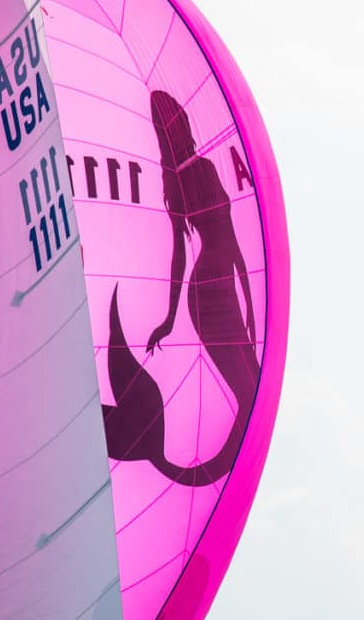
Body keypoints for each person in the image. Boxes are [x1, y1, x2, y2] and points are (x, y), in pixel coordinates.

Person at [102, 90, 259, 485]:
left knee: (252, 389)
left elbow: (231, 244)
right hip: (208, 293)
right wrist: (170, 319)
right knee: (249, 392)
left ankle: (192, 473)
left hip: (218, 288)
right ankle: (193, 475)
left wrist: (250, 304)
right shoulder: (185, 178)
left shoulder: (192, 173)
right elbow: (182, 257)